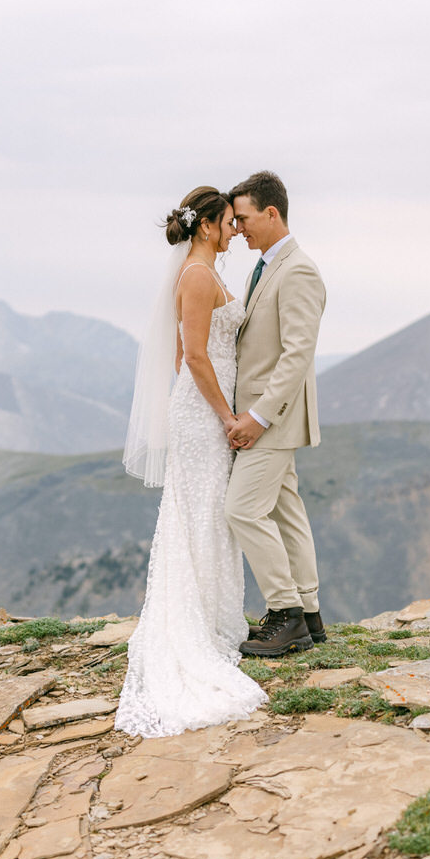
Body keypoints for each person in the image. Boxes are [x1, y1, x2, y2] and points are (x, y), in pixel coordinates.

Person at [116, 185, 267, 738]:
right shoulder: (199, 277)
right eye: (228, 222)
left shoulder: (206, 273)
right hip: (205, 411)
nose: (233, 230)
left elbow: (184, 354)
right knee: (202, 511)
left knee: (206, 511)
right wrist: (226, 414)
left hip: (201, 404)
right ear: (205, 225)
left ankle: (208, 620)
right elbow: (197, 355)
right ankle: (194, 629)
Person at [225, 171, 327, 658]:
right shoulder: (261, 269)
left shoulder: (299, 270)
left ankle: (284, 614)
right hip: (265, 416)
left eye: (243, 218)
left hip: (274, 418)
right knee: (286, 512)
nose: (237, 228)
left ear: (271, 213)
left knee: (241, 509)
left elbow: (297, 354)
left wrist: (259, 416)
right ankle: (310, 613)